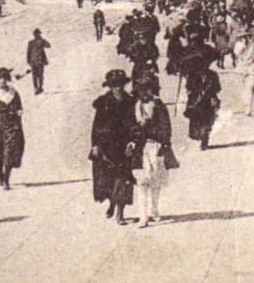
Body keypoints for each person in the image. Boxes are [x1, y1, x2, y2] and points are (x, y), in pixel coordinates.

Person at [90, 69, 136, 224]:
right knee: (108, 180)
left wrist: (132, 143)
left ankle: (120, 213)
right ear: (109, 86)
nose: (118, 88)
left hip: (124, 146)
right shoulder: (103, 102)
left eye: (120, 85)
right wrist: (95, 145)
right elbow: (96, 126)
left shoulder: (130, 101)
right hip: (106, 146)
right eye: (114, 85)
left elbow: (134, 124)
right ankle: (112, 203)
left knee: (123, 178)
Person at [129, 77, 173, 228]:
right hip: (140, 150)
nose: (144, 93)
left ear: (152, 90)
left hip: (156, 147)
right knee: (141, 182)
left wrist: (162, 141)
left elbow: (166, 128)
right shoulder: (135, 107)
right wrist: (132, 139)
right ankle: (143, 216)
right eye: (141, 90)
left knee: (155, 182)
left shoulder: (159, 106)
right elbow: (130, 127)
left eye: (147, 89)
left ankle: (154, 208)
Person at [0, 68, 26, 189]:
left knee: (10, 151)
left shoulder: (13, 93)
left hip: (12, 125)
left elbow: (19, 111)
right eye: (0, 79)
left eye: (4, 79)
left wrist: (19, 127)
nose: (2, 81)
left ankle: (6, 179)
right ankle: (0, 174)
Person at [183, 51, 222, 150]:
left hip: (208, 101)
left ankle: (205, 140)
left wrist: (210, 92)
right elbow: (189, 86)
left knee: (207, 121)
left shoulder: (213, 75)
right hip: (196, 101)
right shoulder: (192, 75)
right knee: (195, 122)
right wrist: (198, 90)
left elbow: (218, 88)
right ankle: (198, 135)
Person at [25, 29, 51, 94]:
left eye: (38, 34)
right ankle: (36, 88)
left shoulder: (41, 41)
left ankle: (40, 87)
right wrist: (28, 61)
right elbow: (28, 52)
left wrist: (43, 40)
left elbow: (48, 46)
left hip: (40, 61)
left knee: (40, 75)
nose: (37, 35)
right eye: (36, 34)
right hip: (34, 62)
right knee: (35, 76)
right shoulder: (31, 43)